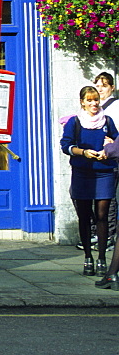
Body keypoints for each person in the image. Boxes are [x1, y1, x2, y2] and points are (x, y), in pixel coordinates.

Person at [60, 85, 119, 277]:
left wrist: (109, 148)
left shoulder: (107, 121)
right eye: (90, 100)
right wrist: (83, 152)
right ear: (82, 102)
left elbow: (117, 141)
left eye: (96, 100)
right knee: (84, 217)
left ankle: (101, 258)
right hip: (82, 173)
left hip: (104, 172)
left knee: (102, 215)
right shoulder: (74, 122)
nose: (94, 103)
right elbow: (66, 145)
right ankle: (88, 257)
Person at [94, 72, 119, 251]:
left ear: (112, 87)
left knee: (108, 198)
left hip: (110, 158)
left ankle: (109, 236)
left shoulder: (115, 107)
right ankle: (97, 233)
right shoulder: (95, 107)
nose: (100, 89)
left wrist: (112, 143)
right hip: (93, 158)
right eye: (97, 85)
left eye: (104, 85)